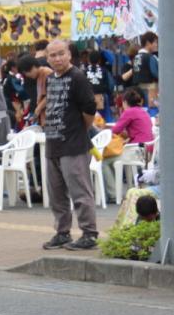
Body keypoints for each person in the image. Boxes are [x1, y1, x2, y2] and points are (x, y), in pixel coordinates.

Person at [41, 39, 98, 251]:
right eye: (52, 55)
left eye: (61, 54)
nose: (57, 58)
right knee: (56, 194)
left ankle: (89, 234)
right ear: (47, 58)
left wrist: (80, 129)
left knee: (80, 192)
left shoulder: (77, 77)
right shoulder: (50, 79)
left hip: (74, 144)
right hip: (53, 143)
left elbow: (90, 108)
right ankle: (62, 232)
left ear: (69, 55)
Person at [105, 88, 155, 202]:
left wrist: (104, 129)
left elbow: (116, 130)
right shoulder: (143, 111)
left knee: (105, 161)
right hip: (148, 149)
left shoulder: (129, 112)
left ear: (125, 102)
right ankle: (124, 189)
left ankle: (113, 194)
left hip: (137, 150)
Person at [128, 31, 159, 105]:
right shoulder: (150, 57)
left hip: (137, 90)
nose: (156, 45)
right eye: (155, 42)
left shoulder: (136, 57)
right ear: (148, 43)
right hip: (151, 89)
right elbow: (155, 73)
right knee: (152, 110)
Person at [83, 50, 113, 120]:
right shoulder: (104, 71)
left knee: (91, 118)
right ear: (99, 60)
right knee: (105, 118)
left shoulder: (84, 71)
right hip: (102, 97)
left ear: (88, 60)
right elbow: (111, 85)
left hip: (88, 98)